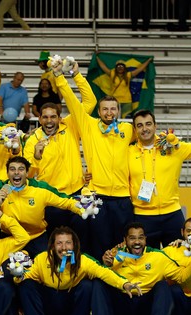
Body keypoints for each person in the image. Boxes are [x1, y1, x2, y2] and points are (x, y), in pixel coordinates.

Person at [19, 227, 140, 315]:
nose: (64, 247)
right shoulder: (42, 259)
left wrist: (124, 284)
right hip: (49, 306)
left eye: (68, 243)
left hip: (71, 307)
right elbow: (25, 276)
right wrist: (17, 275)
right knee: (27, 285)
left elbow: (104, 273)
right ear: (52, 246)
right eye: (59, 243)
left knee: (87, 285)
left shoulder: (83, 260)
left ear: (74, 245)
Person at [93, 222, 191, 315]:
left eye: (140, 237)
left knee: (163, 286)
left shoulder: (158, 256)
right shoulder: (114, 255)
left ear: (145, 239)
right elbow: (101, 273)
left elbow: (182, 276)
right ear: (125, 240)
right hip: (121, 308)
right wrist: (106, 266)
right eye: (132, 238)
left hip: (147, 310)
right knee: (99, 283)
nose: (137, 242)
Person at [24, 59, 96, 239]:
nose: (49, 121)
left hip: (76, 195)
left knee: (81, 243)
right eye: (45, 117)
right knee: (55, 246)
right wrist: (36, 158)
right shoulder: (33, 140)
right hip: (51, 201)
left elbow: (90, 102)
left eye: (53, 117)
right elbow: (27, 177)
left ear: (59, 117)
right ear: (39, 120)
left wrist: (76, 75)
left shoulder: (70, 125)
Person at [129, 111, 191, 248]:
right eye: (140, 125)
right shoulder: (128, 152)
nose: (145, 129)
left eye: (148, 124)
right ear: (135, 130)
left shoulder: (172, 146)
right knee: (147, 261)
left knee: (178, 257)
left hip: (172, 214)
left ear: (155, 126)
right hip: (142, 216)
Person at [0, 156, 87, 257]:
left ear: (27, 173)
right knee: (8, 272)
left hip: (37, 236)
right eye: (12, 169)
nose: (16, 173)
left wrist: (83, 209)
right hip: (11, 238)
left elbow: (66, 201)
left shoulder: (39, 188)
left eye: (21, 169)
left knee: (45, 269)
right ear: (7, 173)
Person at [75, 72, 134, 260]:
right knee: (97, 243)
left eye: (113, 109)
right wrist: (74, 74)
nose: (109, 113)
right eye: (105, 109)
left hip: (123, 198)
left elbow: (148, 141)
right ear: (98, 112)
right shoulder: (89, 126)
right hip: (97, 196)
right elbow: (73, 101)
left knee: (121, 245)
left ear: (119, 111)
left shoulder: (128, 129)